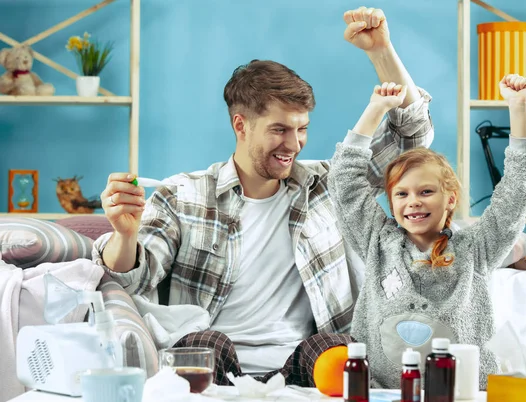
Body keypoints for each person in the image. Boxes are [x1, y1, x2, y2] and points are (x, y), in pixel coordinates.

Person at [92, 6, 434, 386]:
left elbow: (411, 137)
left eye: (301, 128)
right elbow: (132, 280)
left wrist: (380, 51)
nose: (294, 144)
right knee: (203, 343)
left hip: (302, 364)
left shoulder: (330, 184)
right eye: (279, 130)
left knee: (336, 349)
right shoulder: (181, 195)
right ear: (241, 125)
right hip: (216, 360)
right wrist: (124, 235)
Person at [328, 74, 526, 389]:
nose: (413, 202)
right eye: (402, 194)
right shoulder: (377, 243)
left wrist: (518, 108)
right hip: (384, 391)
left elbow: (517, 193)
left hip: (465, 391)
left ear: (450, 198)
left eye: (426, 192)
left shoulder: (474, 248)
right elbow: (344, 182)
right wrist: (375, 109)